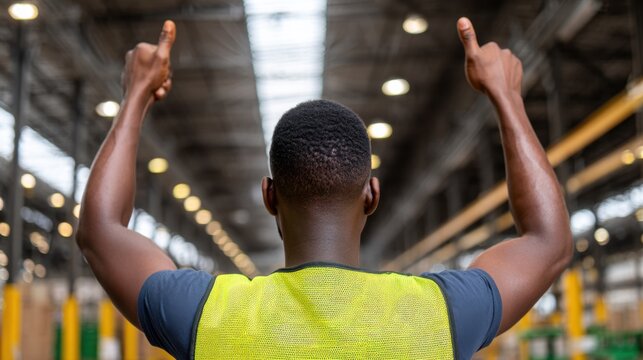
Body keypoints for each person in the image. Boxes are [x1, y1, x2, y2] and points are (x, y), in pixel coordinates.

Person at [77, 17, 572, 359]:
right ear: (372, 195)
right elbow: (546, 241)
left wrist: (135, 94)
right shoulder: (437, 313)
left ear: (269, 196)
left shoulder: (209, 315)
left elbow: (99, 229)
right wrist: (506, 98)